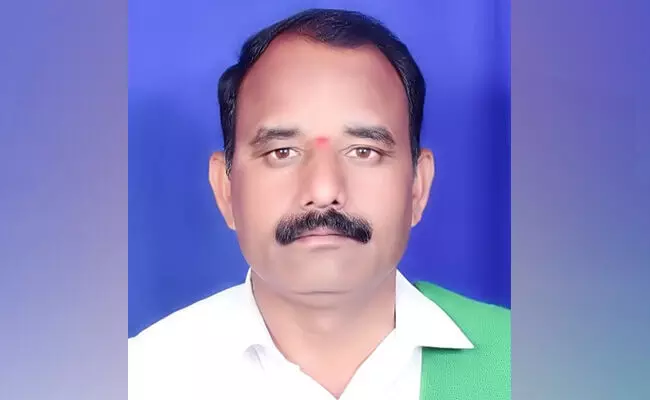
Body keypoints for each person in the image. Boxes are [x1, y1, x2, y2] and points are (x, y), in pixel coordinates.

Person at [128, 8, 510, 400]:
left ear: (418, 186)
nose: (324, 190)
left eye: (364, 151)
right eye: (281, 152)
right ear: (225, 189)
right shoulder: (141, 379)